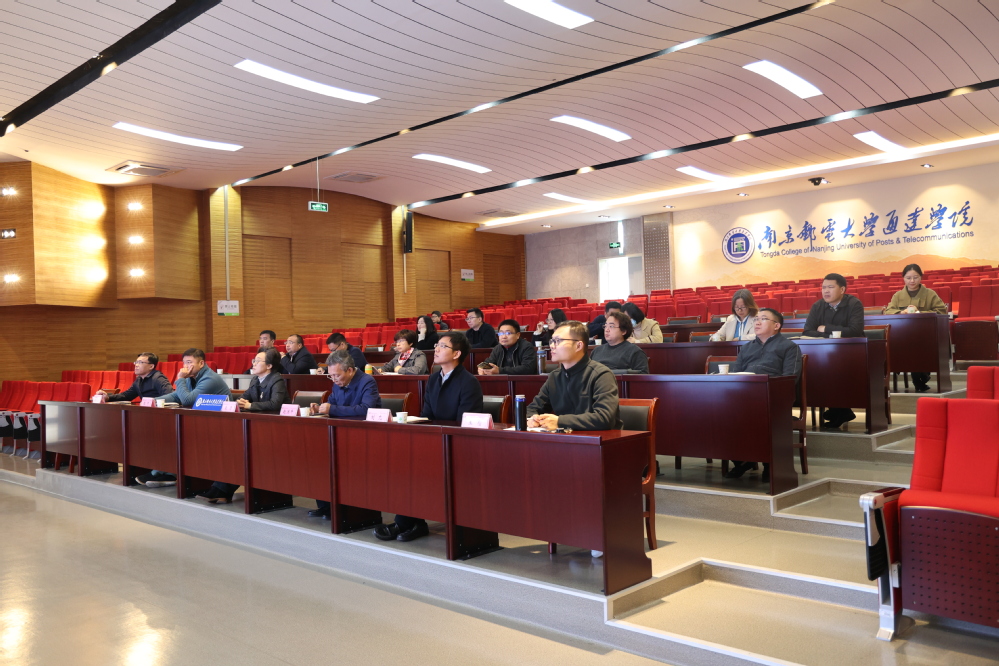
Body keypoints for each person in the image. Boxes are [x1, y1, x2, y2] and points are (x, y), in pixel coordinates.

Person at [374, 331, 482, 542]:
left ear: (457, 353)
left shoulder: (468, 382)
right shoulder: (434, 378)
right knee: (404, 460)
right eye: (436, 345)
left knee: (418, 465)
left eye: (443, 346)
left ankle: (407, 523)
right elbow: (427, 414)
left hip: (458, 445)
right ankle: (411, 522)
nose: (437, 349)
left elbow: (465, 423)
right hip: (436, 440)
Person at [725, 308, 803, 481]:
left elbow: (790, 379)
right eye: (756, 319)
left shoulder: (789, 347)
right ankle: (742, 460)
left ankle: (770, 463)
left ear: (777, 325)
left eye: (763, 319)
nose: (757, 322)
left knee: (755, 415)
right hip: (745, 396)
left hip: (773, 398)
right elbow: (735, 375)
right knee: (721, 413)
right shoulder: (746, 348)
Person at [138, 349, 231, 489]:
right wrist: (153, 400)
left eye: (189, 362)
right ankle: (163, 472)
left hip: (220, 425)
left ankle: (167, 473)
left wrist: (180, 379)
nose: (186, 366)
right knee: (168, 433)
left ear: (201, 363)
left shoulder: (210, 379)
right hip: (200, 422)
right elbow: (176, 396)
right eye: (184, 363)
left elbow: (188, 400)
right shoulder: (190, 377)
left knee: (178, 435)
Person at [308, 352, 382, 518]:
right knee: (319, 459)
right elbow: (332, 404)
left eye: (336, 375)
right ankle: (327, 506)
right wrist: (320, 408)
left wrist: (332, 409)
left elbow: (366, 409)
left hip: (364, 436)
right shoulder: (337, 383)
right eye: (331, 376)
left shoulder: (367, 381)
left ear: (349, 370)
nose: (333, 379)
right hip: (341, 434)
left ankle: (351, 509)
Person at [527, 320, 622, 431]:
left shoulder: (601, 375)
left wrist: (560, 421)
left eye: (558, 341)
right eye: (552, 341)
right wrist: (533, 419)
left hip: (601, 439)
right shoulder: (555, 376)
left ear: (578, 345)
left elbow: (604, 418)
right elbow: (533, 408)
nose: (552, 346)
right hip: (567, 438)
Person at [802, 273, 864, 429]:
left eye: (830, 287)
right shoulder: (818, 306)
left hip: (852, 353)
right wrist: (831, 334)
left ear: (842, 289)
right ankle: (840, 410)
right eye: (823, 287)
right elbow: (807, 331)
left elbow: (855, 331)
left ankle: (839, 410)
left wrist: (826, 328)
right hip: (826, 354)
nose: (826, 291)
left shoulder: (854, 304)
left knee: (834, 370)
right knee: (817, 369)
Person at [883, 264, 947, 392]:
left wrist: (920, 313)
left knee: (919, 346)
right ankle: (918, 380)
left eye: (915, 277)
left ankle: (920, 378)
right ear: (903, 278)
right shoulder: (898, 296)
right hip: (903, 335)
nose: (912, 281)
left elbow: (941, 311)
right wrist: (901, 312)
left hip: (926, 334)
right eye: (908, 278)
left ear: (921, 277)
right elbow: (888, 311)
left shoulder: (930, 294)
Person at [103, 352, 172, 402]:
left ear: (151, 366)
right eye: (136, 362)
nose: (136, 365)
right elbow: (127, 396)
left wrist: (153, 401)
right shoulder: (139, 379)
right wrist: (108, 397)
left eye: (140, 362)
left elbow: (170, 396)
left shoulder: (158, 378)